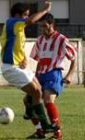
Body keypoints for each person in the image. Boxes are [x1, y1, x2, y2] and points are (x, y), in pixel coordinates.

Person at [0, 1, 55, 138]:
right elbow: (31, 21)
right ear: (18, 15)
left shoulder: (18, 28)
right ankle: (44, 124)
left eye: (27, 15)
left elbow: (17, 46)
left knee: (38, 89)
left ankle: (30, 112)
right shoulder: (12, 22)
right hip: (10, 68)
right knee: (36, 91)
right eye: (25, 15)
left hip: (19, 66)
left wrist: (24, 58)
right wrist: (44, 11)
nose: (26, 18)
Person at [24, 13, 77, 139]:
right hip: (40, 75)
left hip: (54, 74)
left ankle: (57, 133)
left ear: (51, 24)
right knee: (28, 101)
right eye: (41, 26)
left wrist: (69, 75)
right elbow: (39, 60)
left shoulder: (62, 39)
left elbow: (74, 58)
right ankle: (39, 131)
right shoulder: (40, 40)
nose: (43, 28)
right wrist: (35, 77)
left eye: (45, 25)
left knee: (48, 100)